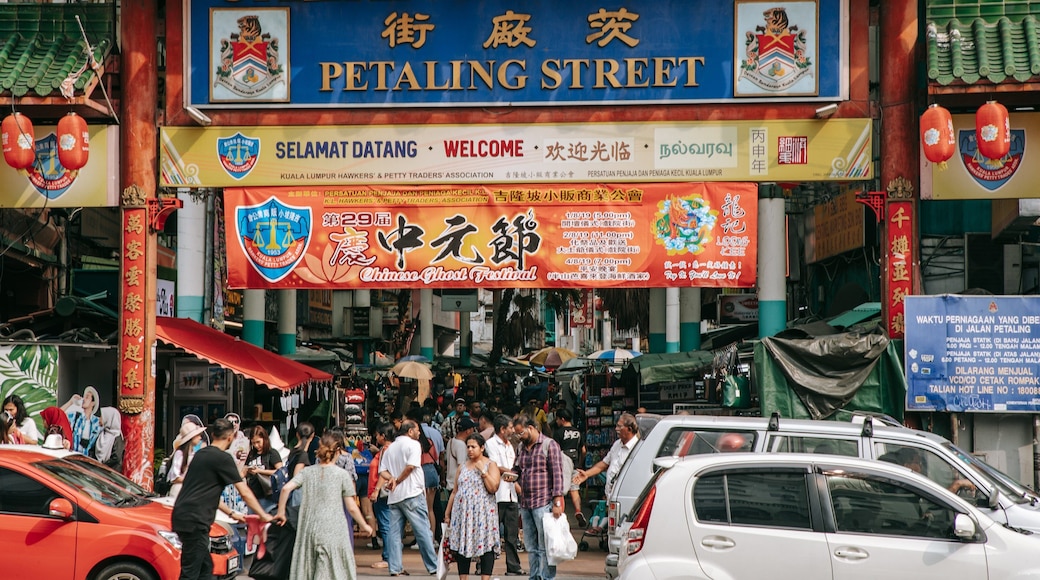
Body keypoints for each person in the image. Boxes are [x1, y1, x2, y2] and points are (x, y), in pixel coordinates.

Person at [172, 418, 271, 580]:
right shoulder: (223, 459)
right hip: (195, 521)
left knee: (205, 569)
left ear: (212, 435)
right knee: (190, 573)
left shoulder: (200, 455)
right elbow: (244, 491)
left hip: (185, 517)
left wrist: (232, 513)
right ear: (231, 437)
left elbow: (207, 492)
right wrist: (263, 514)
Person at [272, 432, 373, 580]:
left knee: (312, 567)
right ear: (337, 451)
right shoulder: (342, 475)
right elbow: (351, 507)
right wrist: (364, 525)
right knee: (330, 568)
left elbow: (286, 488)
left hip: (309, 527)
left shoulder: (307, 472)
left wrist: (281, 512)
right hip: (334, 529)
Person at [380, 420, 439, 576]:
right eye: (417, 430)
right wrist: (397, 480)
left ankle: (395, 567)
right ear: (410, 431)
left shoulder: (390, 448)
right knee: (422, 531)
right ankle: (433, 566)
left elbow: (382, 471)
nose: (419, 433)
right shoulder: (413, 445)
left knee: (394, 534)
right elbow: (411, 467)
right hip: (412, 493)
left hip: (395, 497)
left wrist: (392, 479)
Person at [512, 414, 566, 580]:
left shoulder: (549, 445)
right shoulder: (521, 448)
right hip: (526, 503)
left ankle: (547, 577)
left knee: (545, 546)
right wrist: (511, 475)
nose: (519, 437)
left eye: (521, 433)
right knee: (531, 545)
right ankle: (534, 576)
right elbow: (517, 469)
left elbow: (557, 475)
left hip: (543, 503)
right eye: (517, 434)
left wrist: (557, 502)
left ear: (531, 428)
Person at [444, 433, 501, 580]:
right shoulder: (462, 466)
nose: (470, 449)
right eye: (468, 446)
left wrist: (483, 472)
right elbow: (454, 492)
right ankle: (463, 577)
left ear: (482, 448)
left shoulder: (490, 464)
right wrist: (447, 513)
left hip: (483, 513)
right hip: (462, 513)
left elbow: (493, 487)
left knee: (486, 545)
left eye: (473, 447)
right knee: (463, 544)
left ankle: (485, 577)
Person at [485, 414, 524, 576]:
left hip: (510, 494)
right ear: (502, 429)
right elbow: (495, 465)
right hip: (497, 493)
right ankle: (484, 565)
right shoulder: (490, 444)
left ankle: (513, 566)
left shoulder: (510, 446)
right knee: (491, 533)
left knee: (512, 533)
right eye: (509, 427)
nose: (512, 430)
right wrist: (513, 473)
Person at [573, 412, 640, 499]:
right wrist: (587, 474)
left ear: (629, 429)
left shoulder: (637, 447)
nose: (616, 429)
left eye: (620, 426)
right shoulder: (617, 444)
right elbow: (604, 464)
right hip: (612, 497)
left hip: (627, 497)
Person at [367, 422, 396, 569]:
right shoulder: (389, 449)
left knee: (385, 525)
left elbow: (383, 472)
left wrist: (376, 490)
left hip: (383, 492)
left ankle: (388, 558)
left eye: (377, 435)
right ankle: (390, 557)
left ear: (383, 436)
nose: (375, 437)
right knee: (387, 524)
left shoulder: (385, 450)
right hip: (387, 491)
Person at [553, 408, 587, 527]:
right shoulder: (578, 432)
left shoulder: (558, 432)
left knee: (560, 490)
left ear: (562, 419)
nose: (556, 421)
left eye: (557, 419)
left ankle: (560, 514)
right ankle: (578, 510)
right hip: (575, 463)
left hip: (563, 463)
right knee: (574, 489)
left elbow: (555, 450)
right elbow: (583, 450)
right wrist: (580, 463)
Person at [245, 424, 284, 510]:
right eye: (253, 443)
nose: (256, 445)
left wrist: (260, 471)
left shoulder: (272, 453)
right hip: (253, 494)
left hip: (268, 495)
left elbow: (280, 471)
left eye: (258, 442)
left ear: (264, 439)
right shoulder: (251, 454)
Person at [169, 421, 208, 498]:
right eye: (198, 435)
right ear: (191, 437)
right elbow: (175, 478)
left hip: (190, 490)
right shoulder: (180, 453)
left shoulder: (193, 453)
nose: (200, 438)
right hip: (179, 490)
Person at [63, 386, 101, 455]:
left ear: (93, 403)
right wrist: (70, 402)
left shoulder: (97, 422)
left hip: (88, 460)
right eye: (84, 397)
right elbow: (58, 414)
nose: (84, 399)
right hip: (73, 456)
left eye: (87, 397)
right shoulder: (76, 416)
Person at [446, 417, 477, 495]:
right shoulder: (461, 445)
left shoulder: (451, 441)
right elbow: (462, 466)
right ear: (468, 431)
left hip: (451, 482)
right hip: (457, 485)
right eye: (472, 429)